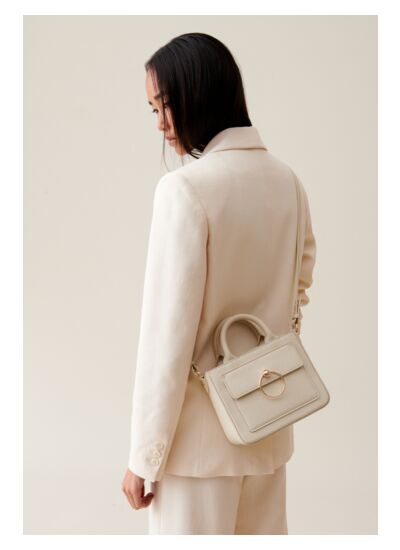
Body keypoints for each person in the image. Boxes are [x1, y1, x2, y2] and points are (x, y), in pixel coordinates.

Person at [121, 32, 317, 535]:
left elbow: (167, 334)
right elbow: (298, 286)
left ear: (201, 92)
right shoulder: (287, 181)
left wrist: (145, 456)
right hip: (267, 427)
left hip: (195, 452)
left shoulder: (184, 189)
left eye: (167, 104)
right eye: (153, 109)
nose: (161, 123)